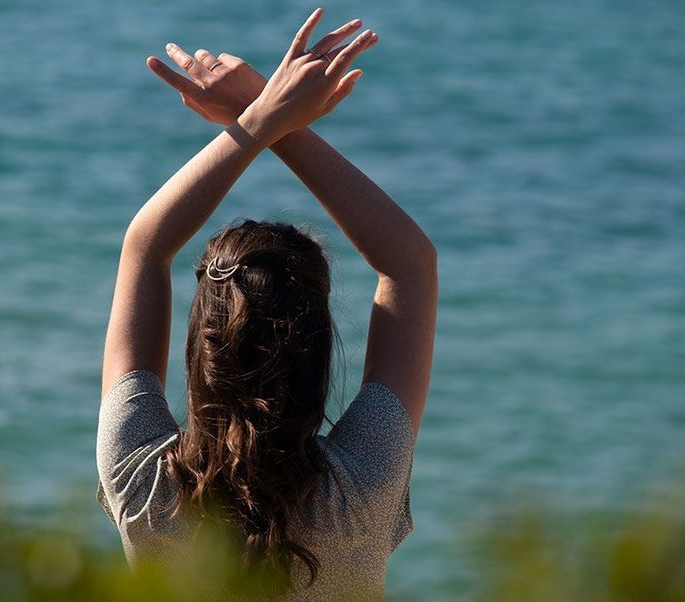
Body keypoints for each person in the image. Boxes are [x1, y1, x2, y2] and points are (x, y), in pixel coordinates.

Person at [96, 8, 437, 600]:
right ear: (318, 343)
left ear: (202, 339)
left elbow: (144, 249)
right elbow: (408, 263)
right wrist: (274, 121)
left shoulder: (144, 482)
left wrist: (261, 120)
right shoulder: (362, 489)